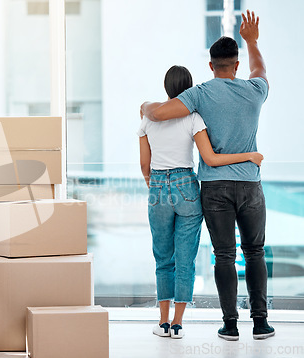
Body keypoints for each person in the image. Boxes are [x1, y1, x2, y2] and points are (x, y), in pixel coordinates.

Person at [140, 10, 274, 341]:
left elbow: (158, 113)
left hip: (213, 188)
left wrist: (144, 108)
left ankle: (230, 325)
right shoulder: (255, 90)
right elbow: (261, 69)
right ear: (237, 65)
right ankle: (260, 323)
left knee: (224, 255)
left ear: (211, 66)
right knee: (255, 252)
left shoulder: (199, 94)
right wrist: (252, 41)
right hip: (249, 184)